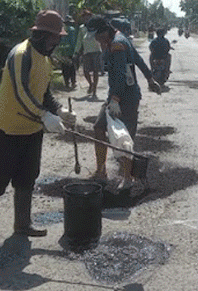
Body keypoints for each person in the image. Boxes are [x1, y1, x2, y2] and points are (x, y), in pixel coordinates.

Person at [0, 10, 77, 244]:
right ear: (41, 35)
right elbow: (22, 92)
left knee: (27, 177)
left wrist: (58, 110)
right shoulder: (21, 54)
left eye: (58, 38)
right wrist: (44, 115)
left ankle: (22, 224)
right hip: (7, 129)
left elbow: (44, 92)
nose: (57, 42)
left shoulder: (45, 59)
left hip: (32, 131)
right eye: (54, 38)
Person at [89, 16, 156, 189]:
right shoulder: (118, 38)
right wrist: (149, 78)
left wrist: (115, 100)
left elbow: (119, 74)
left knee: (124, 136)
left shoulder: (118, 44)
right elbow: (139, 60)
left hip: (126, 98)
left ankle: (128, 178)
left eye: (97, 36)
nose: (96, 40)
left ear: (104, 31)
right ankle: (101, 171)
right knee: (99, 127)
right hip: (115, 96)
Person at [73, 10, 102, 99]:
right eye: (84, 17)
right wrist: (76, 52)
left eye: (88, 16)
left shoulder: (96, 26)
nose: (86, 18)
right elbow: (79, 41)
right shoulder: (82, 28)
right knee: (86, 71)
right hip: (86, 52)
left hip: (96, 50)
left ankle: (94, 91)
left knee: (96, 71)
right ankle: (91, 84)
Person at [56, 15, 78, 89]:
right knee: (72, 68)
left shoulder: (62, 30)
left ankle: (66, 83)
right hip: (70, 52)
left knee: (65, 68)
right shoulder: (72, 29)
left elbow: (60, 41)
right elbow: (73, 41)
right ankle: (73, 82)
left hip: (63, 51)